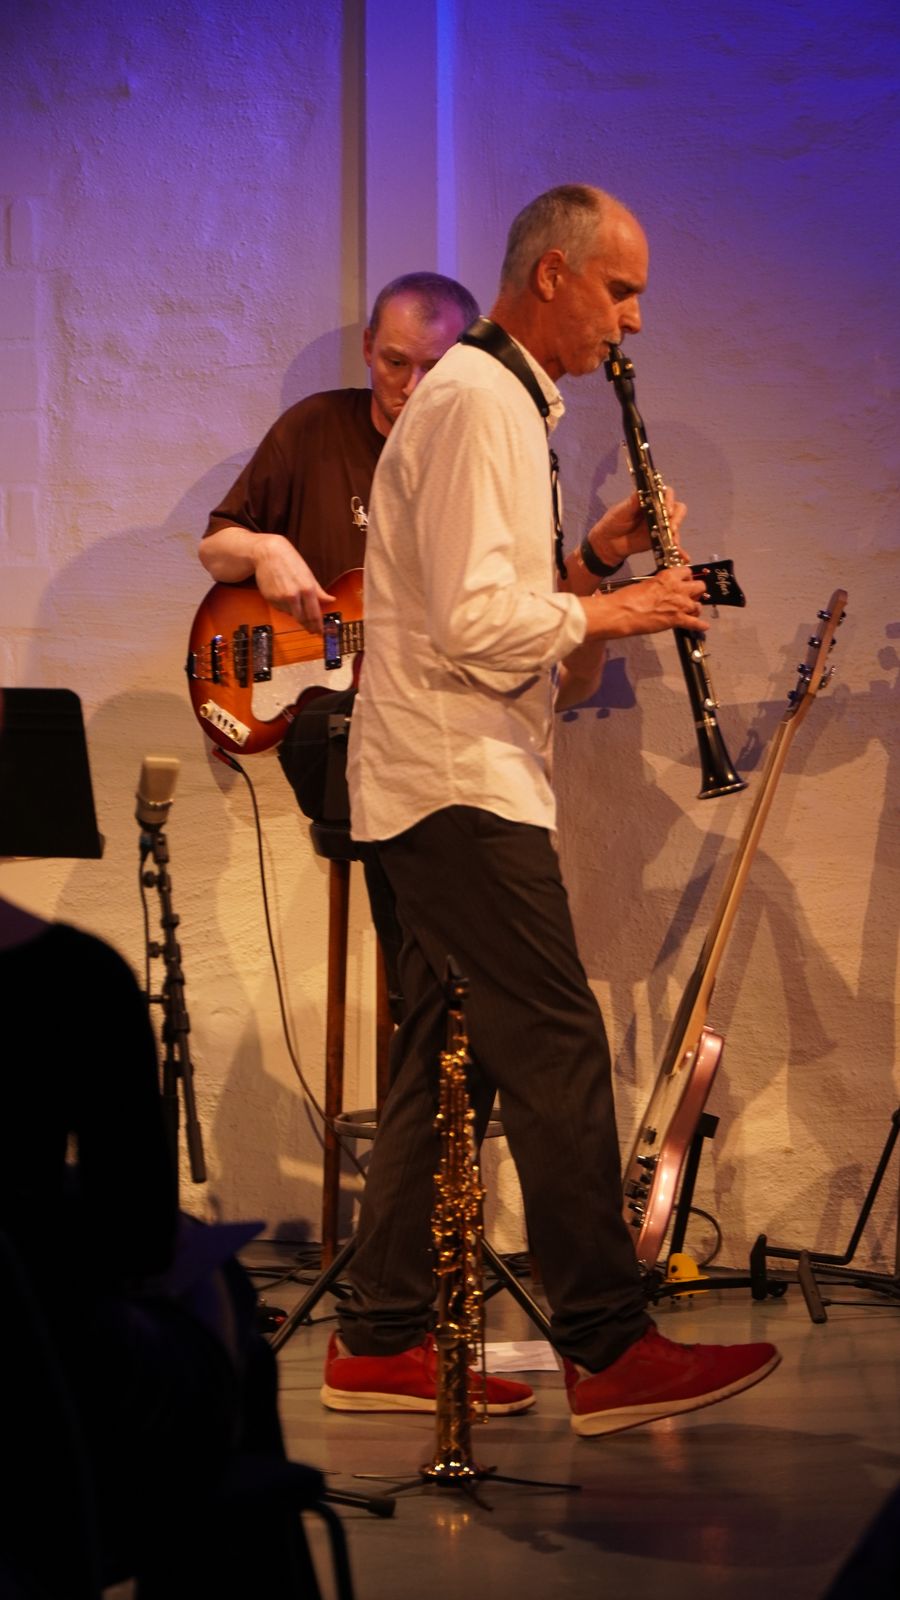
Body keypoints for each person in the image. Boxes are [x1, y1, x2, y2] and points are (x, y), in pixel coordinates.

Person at [321, 184, 781, 1438]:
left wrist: (593, 567)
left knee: (449, 1061)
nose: (632, 321)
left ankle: (378, 1336)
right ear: (554, 275)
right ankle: (609, 1347)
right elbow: (478, 629)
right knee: (561, 1041)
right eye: (621, 290)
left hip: (440, 778)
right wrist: (621, 608)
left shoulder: (501, 404)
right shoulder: (480, 400)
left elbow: (509, 627)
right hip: (455, 783)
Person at [199, 271, 480, 1009]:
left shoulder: (475, 462)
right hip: (330, 729)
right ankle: (429, 1019)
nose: (411, 387)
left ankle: (428, 1017)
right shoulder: (315, 428)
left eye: (434, 369)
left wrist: (595, 572)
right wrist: (262, 549)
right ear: (367, 348)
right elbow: (214, 551)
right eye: (395, 362)